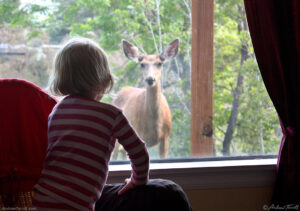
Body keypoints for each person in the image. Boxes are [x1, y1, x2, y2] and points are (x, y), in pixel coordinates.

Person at [32, 37, 150, 211]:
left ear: (62, 77)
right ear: (103, 78)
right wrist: (137, 181)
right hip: (78, 206)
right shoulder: (112, 115)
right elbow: (139, 153)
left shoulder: (57, 111)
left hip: (41, 201)